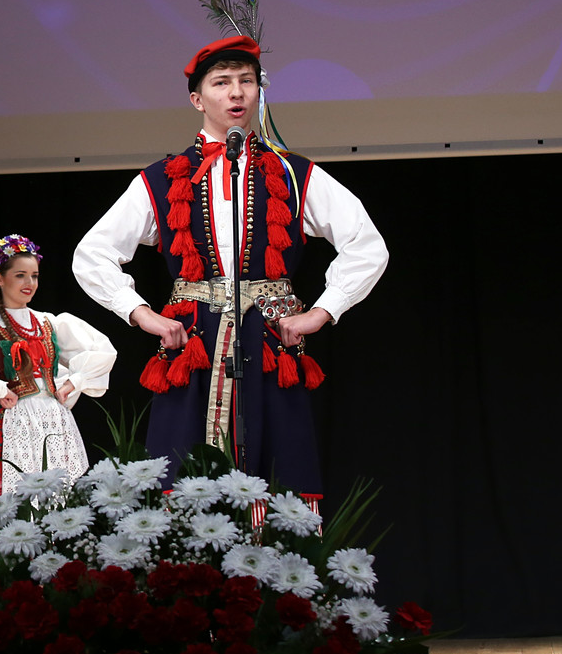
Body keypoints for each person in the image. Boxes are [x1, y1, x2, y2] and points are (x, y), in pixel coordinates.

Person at [72, 35, 388, 496]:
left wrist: (322, 311)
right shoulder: (162, 179)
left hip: (270, 342)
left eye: (246, 81)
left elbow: (366, 244)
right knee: (183, 475)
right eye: (221, 82)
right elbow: (92, 253)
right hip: (193, 344)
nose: (236, 92)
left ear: (259, 91)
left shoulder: (294, 173)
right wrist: (141, 314)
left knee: (278, 474)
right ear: (197, 99)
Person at [0, 234, 116, 534]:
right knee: (17, 501)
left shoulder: (48, 321)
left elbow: (103, 351)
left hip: (54, 421)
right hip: (11, 424)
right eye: (20, 275)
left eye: (34, 275)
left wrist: (73, 382)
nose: (29, 283)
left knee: (60, 499)